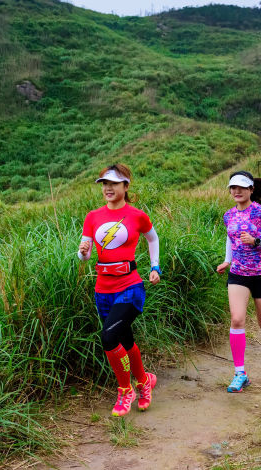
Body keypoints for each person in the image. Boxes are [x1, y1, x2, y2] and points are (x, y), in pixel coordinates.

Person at [78, 164, 162, 416]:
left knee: (108, 338)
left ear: (126, 186)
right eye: (104, 183)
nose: (108, 188)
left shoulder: (137, 215)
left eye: (114, 183)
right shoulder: (93, 216)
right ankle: (144, 381)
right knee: (125, 340)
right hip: (103, 289)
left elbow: (153, 238)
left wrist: (155, 266)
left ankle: (126, 391)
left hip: (130, 286)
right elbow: (85, 254)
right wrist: (82, 254)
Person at [216, 170, 261, 393]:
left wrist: (256, 241)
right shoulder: (228, 215)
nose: (236, 191)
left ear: (251, 189)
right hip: (238, 274)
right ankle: (239, 373)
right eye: (233, 188)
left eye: (241, 188)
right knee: (236, 320)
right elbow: (230, 238)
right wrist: (227, 261)